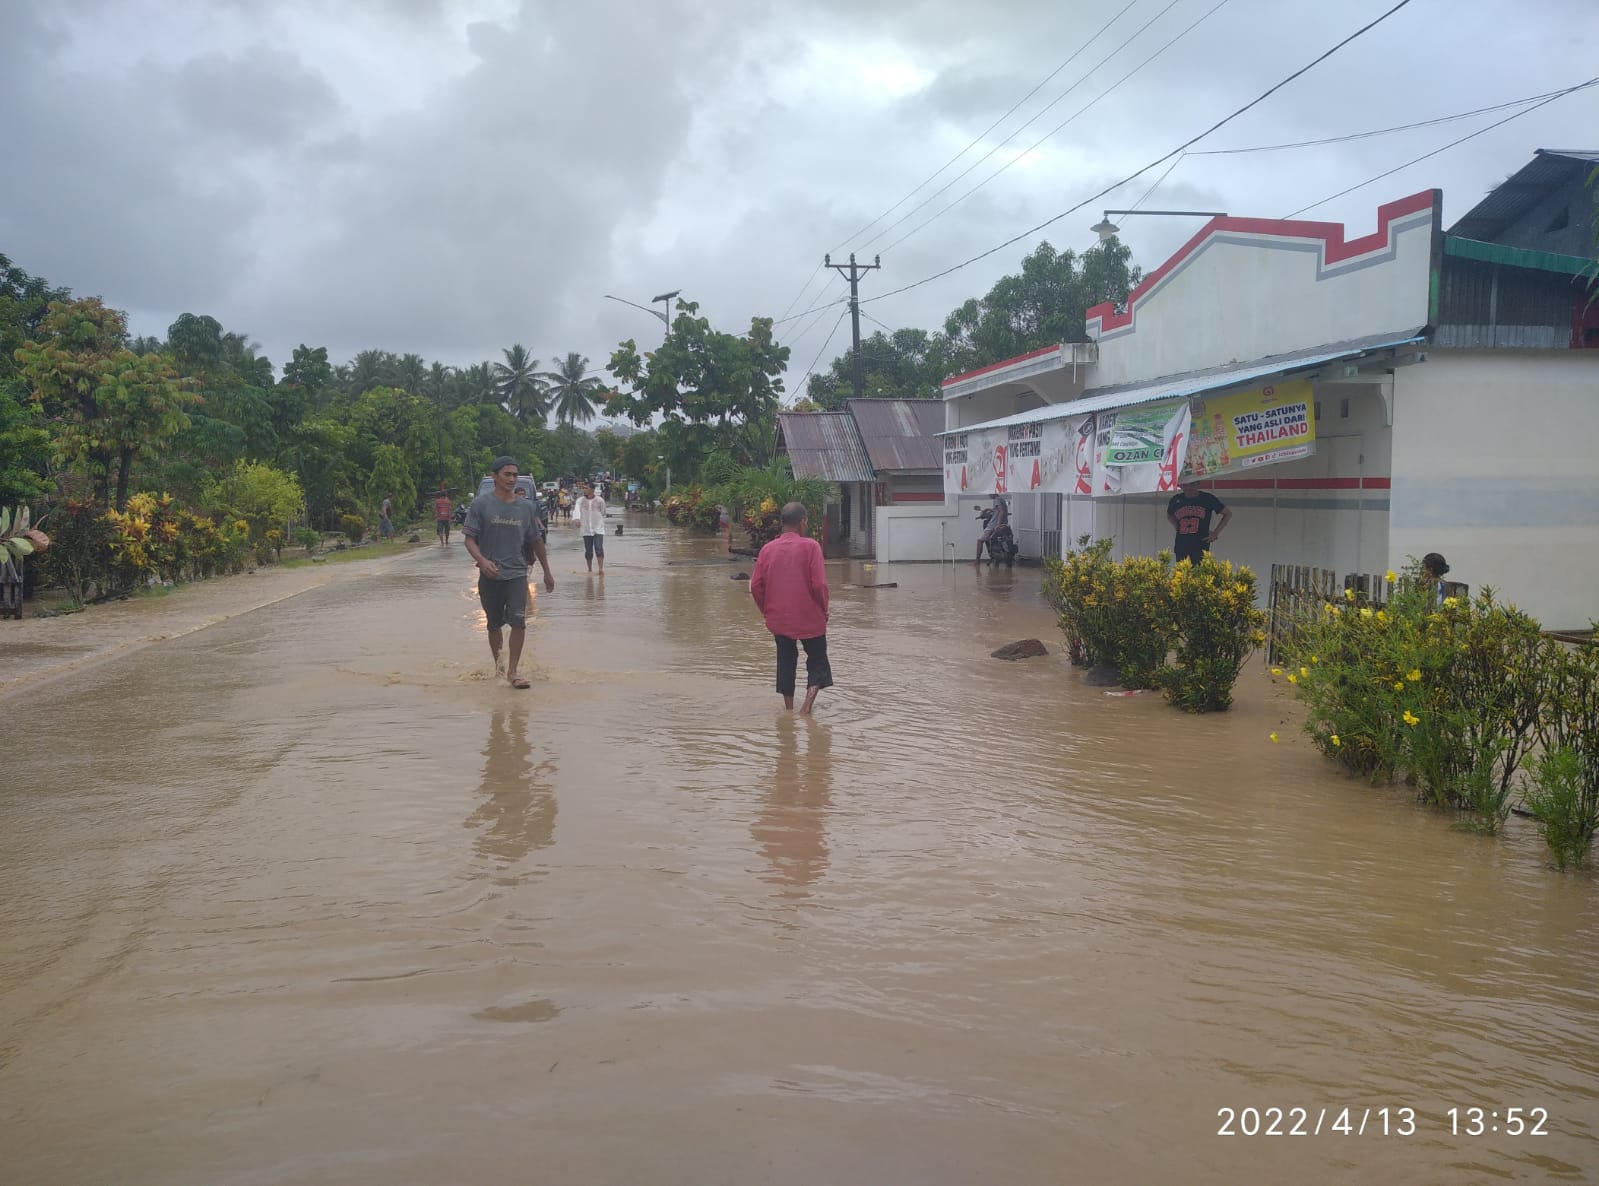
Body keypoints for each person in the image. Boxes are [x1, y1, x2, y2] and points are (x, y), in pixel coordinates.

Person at [463, 457, 556, 690]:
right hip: (490, 575)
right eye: (507, 474)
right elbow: (469, 539)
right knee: (493, 625)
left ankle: (513, 672)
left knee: (518, 621)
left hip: (517, 573)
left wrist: (547, 571)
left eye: (515, 475)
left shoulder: (526, 507)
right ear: (494, 476)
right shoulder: (481, 505)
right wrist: (482, 562)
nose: (512, 479)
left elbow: (536, 540)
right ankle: (499, 667)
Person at [749, 502, 833, 715]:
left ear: (782, 522)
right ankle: (806, 708)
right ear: (802, 521)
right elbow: (819, 585)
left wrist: (767, 611)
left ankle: (789, 709)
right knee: (817, 660)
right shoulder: (811, 546)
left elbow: (756, 586)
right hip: (810, 617)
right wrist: (824, 609)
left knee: (785, 661)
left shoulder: (767, 550)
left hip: (779, 619)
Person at [1166, 478, 1231, 565]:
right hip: (1181, 545)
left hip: (1200, 545)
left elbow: (1227, 514)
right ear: (1181, 486)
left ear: (1198, 484)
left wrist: (1215, 533)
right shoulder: (1176, 499)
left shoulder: (1207, 498)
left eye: (1192, 484)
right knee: (1182, 576)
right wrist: (1176, 526)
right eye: (1185, 485)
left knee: (1199, 575)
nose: (1188, 488)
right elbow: (1169, 514)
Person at [574, 480, 607, 573]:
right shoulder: (580, 501)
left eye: (586, 488)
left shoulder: (600, 500)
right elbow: (576, 510)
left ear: (592, 489)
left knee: (599, 548)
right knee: (588, 551)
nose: (584, 490)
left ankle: (600, 569)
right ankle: (590, 569)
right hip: (586, 529)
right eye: (584, 488)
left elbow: (603, 512)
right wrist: (577, 519)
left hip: (598, 529)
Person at [975, 493, 1009, 563]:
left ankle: (977, 561)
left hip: (993, 525)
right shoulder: (1002, 499)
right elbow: (998, 510)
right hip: (1005, 524)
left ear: (994, 493)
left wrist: (998, 525)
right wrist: (988, 509)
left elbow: (1001, 511)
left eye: (990, 493)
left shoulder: (996, 500)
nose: (989, 495)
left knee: (980, 541)